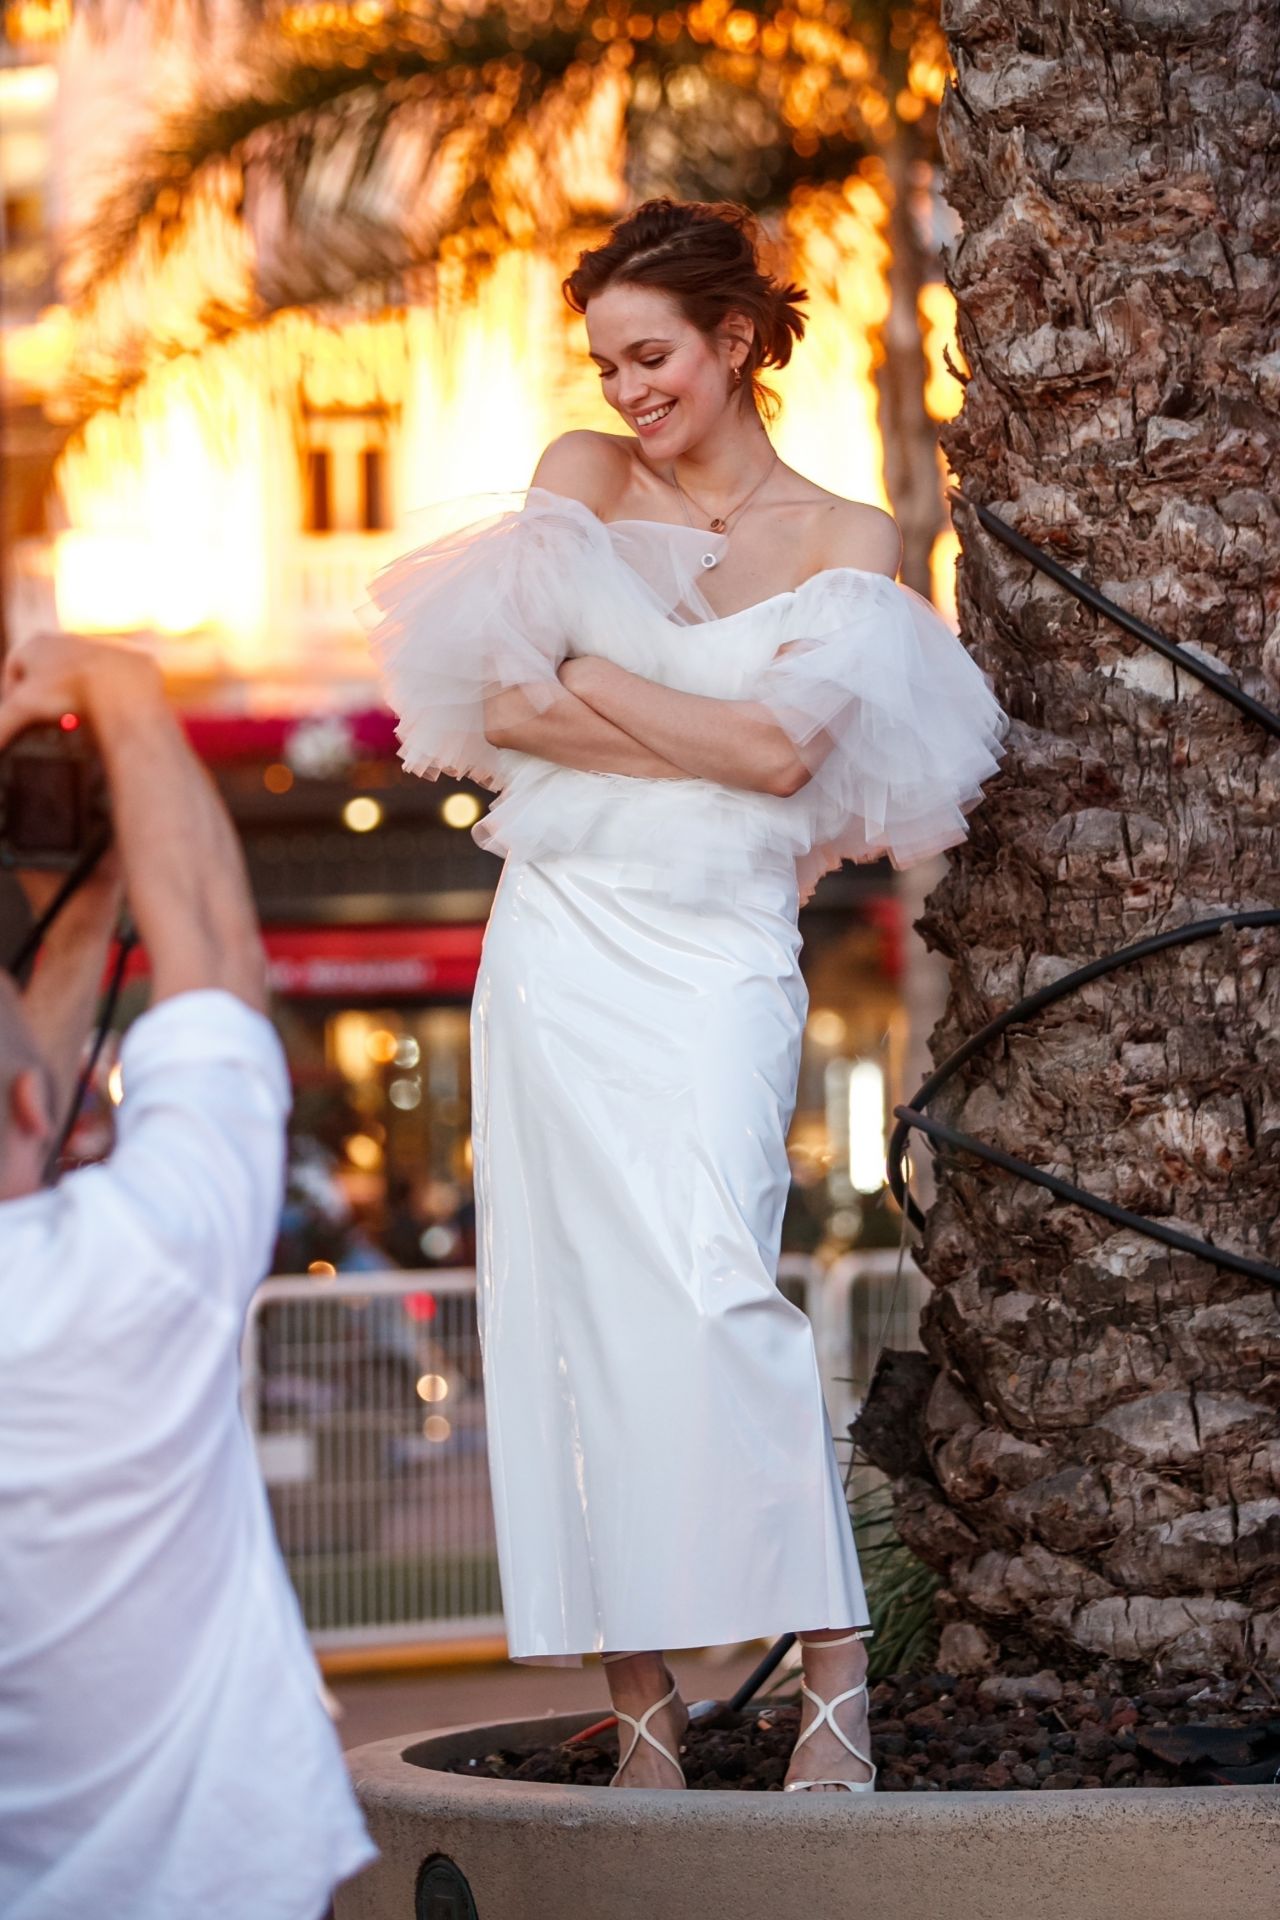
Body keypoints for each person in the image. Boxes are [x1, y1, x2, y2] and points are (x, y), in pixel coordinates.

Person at [365, 198, 1007, 1793]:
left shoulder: (849, 538)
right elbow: (505, 700)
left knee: (722, 1286)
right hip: (560, 936)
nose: (626, 386)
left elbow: (785, 758)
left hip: (716, 948)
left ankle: (831, 1682)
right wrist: (669, 722)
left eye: (652, 353)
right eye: (604, 358)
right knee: (566, 1312)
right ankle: (644, 1711)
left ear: (733, 342)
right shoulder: (583, 476)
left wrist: (599, 690)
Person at [0, 634, 375, 1915]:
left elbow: (27, 1102)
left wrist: (87, 888)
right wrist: (121, 699)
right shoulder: (123, 1273)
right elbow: (215, 961)